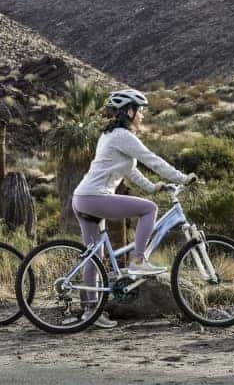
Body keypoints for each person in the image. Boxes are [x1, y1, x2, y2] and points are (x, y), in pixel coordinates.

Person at [72, 88, 194, 329]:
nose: (143, 116)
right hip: (95, 198)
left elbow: (129, 170)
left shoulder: (110, 135)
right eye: (141, 111)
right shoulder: (123, 136)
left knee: (94, 256)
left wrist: (151, 186)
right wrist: (182, 178)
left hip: (82, 198)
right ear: (129, 111)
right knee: (149, 210)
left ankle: (90, 312)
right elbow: (152, 160)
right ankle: (138, 260)